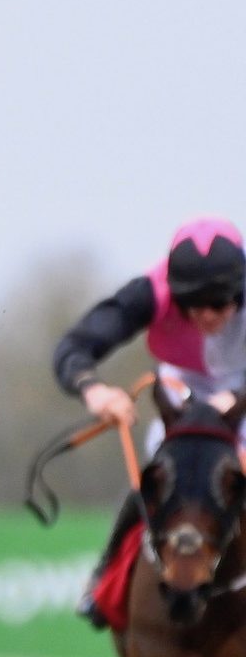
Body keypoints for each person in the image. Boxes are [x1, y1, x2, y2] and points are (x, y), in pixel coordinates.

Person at [52, 217, 246, 625]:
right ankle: (105, 578)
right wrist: (96, 391)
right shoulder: (149, 293)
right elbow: (76, 346)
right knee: (161, 471)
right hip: (184, 383)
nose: (207, 316)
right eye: (193, 304)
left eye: (220, 304)